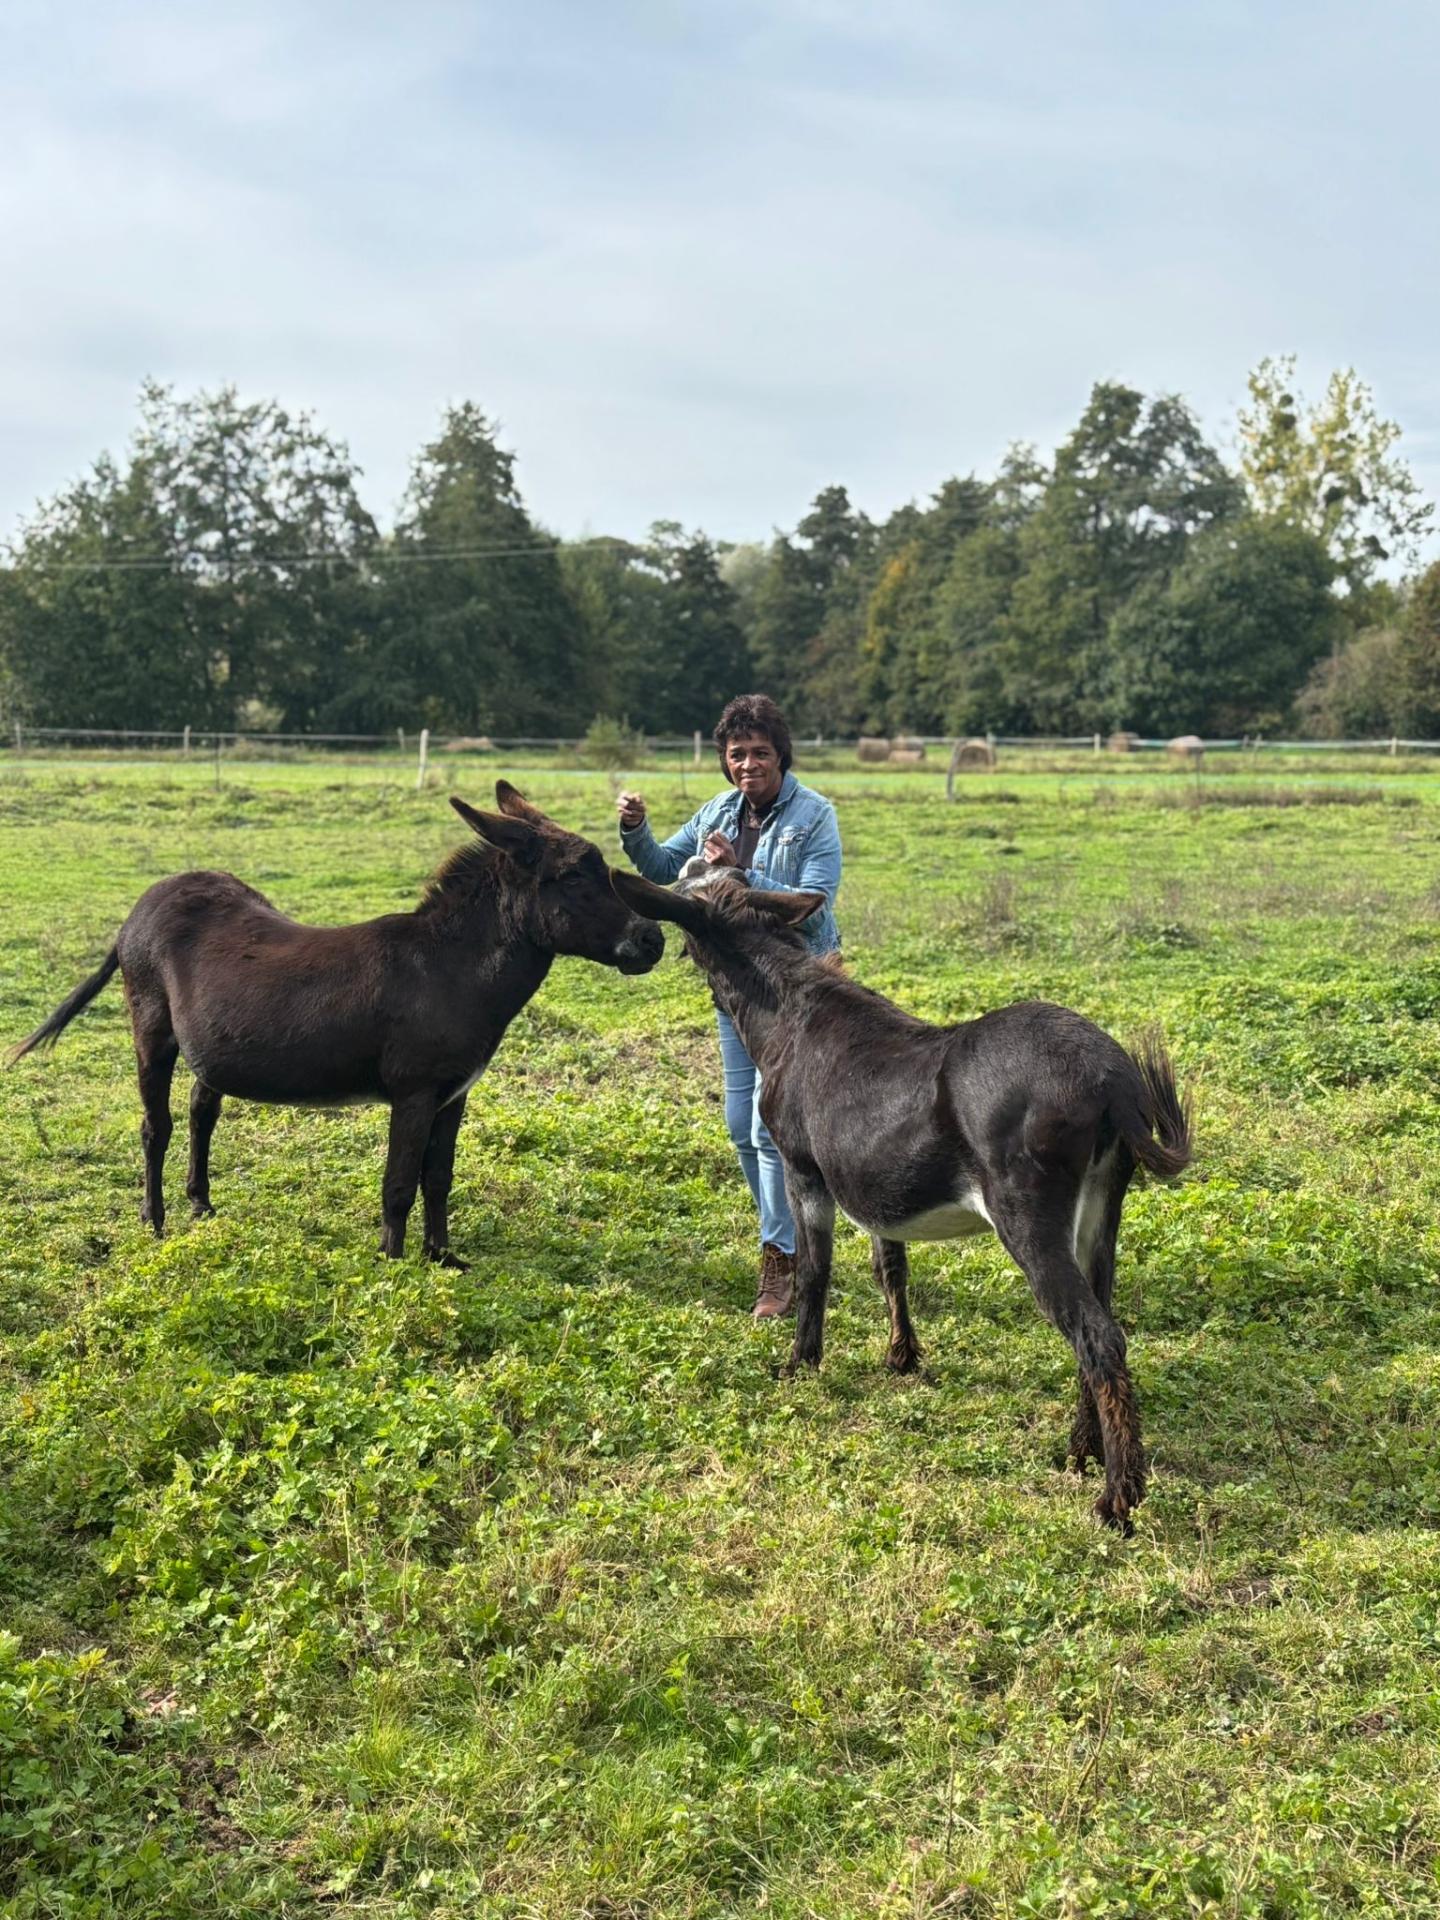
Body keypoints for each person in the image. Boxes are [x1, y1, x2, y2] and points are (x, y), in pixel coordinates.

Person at [616, 694, 841, 1319]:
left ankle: (781, 1260)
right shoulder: (718, 810)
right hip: (734, 988)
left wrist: (740, 874)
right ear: (725, 760)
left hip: (795, 986)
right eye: (737, 754)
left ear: (781, 756)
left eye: (760, 753)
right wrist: (637, 830)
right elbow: (664, 867)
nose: (748, 764)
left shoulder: (815, 815)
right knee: (740, 1126)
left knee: (772, 1131)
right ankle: (791, 1238)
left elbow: (815, 896)